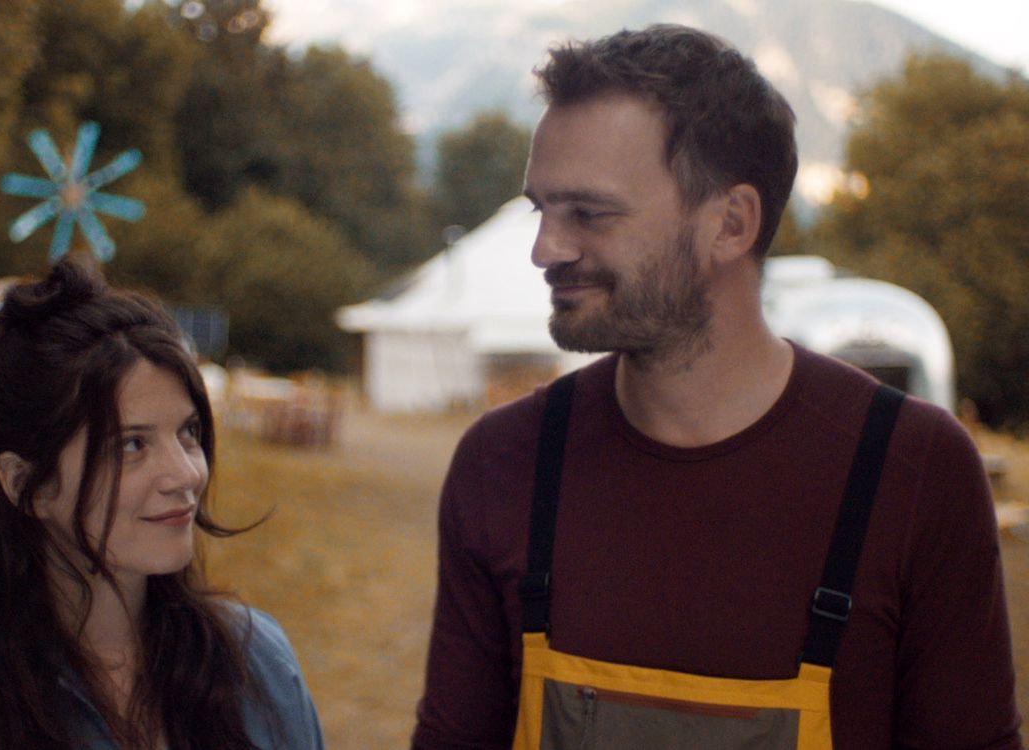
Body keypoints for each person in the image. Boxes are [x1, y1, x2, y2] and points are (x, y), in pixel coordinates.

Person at [412, 24, 1022, 749]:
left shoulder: (912, 470)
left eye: (590, 213)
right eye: (540, 208)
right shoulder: (503, 462)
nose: (546, 248)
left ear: (730, 224)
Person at [0, 258, 324, 749]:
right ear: (25, 484)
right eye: (131, 445)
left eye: (189, 433)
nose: (186, 473)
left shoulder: (258, 664)